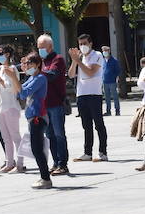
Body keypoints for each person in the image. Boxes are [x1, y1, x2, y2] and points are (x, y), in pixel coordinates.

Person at [70, 34, 108, 163]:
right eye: (80, 44)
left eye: (85, 43)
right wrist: (75, 60)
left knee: (98, 123)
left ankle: (103, 152)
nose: (82, 46)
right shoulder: (80, 57)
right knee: (86, 125)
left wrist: (79, 61)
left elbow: (91, 72)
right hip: (81, 94)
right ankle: (87, 152)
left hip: (94, 94)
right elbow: (70, 74)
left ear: (90, 43)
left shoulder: (97, 55)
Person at [37, 35, 70, 175]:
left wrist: (38, 71)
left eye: (42, 47)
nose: (40, 50)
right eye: (38, 47)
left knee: (59, 134)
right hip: (44, 104)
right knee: (50, 135)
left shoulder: (58, 59)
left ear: (50, 47)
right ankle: (56, 163)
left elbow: (52, 75)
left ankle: (63, 164)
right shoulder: (41, 61)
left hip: (56, 103)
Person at [0, 45, 28, 174]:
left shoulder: (12, 69)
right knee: (5, 137)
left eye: (1, 53)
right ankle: (9, 163)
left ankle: (19, 164)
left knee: (15, 136)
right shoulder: (1, 68)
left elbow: (11, 87)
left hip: (12, 106)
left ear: (7, 54)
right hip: (1, 106)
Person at [18, 52, 52, 189]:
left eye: (29, 63)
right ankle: (44, 176)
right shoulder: (32, 78)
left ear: (37, 64)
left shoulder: (40, 78)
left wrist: (14, 78)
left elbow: (24, 93)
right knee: (36, 148)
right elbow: (19, 93)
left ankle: (45, 178)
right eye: (26, 64)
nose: (27, 66)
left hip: (38, 117)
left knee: (37, 149)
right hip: (32, 117)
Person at [101, 46, 122, 116]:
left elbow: (118, 71)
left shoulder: (114, 61)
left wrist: (116, 78)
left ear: (109, 51)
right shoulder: (102, 60)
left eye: (105, 50)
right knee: (107, 97)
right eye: (103, 51)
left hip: (112, 81)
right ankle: (108, 111)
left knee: (115, 97)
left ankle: (117, 110)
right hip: (105, 81)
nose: (104, 52)